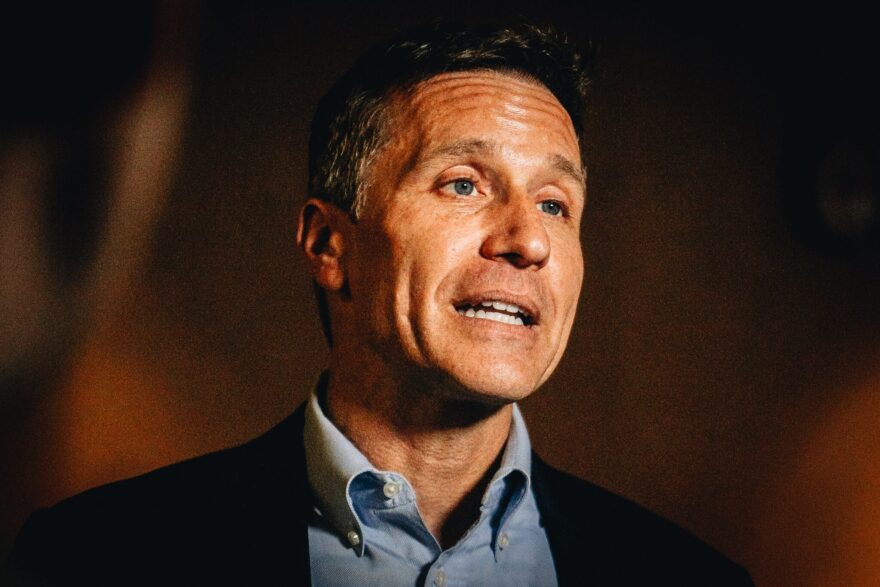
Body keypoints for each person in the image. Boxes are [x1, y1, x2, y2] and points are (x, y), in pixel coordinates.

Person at [6, 22, 753, 585]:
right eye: (464, 183)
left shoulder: (693, 578)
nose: (530, 241)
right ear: (329, 244)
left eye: (557, 203)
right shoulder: (95, 559)